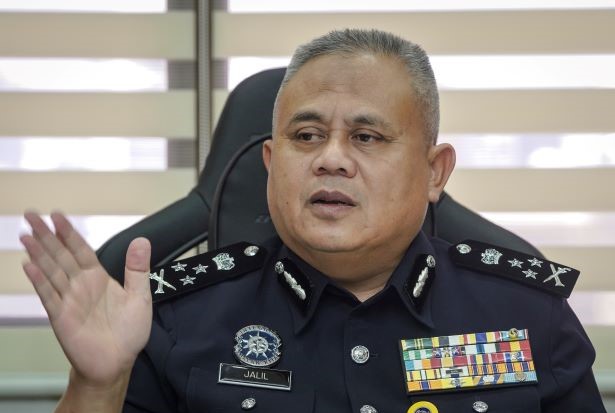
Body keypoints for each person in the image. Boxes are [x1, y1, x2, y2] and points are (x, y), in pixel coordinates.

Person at [20, 29, 605, 413]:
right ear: (271, 164)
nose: (331, 158)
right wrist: (97, 386)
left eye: (366, 136)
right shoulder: (175, 321)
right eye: (306, 136)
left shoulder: (528, 317)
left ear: (435, 173)